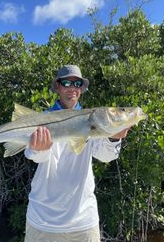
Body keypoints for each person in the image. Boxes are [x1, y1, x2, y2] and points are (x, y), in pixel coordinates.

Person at [24, 65, 129, 242]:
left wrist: (113, 138)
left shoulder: (94, 118)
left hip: (83, 221)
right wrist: (38, 149)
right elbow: (34, 156)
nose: (72, 88)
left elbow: (105, 156)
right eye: (66, 83)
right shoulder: (42, 118)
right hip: (43, 219)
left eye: (77, 83)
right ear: (58, 87)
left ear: (81, 88)